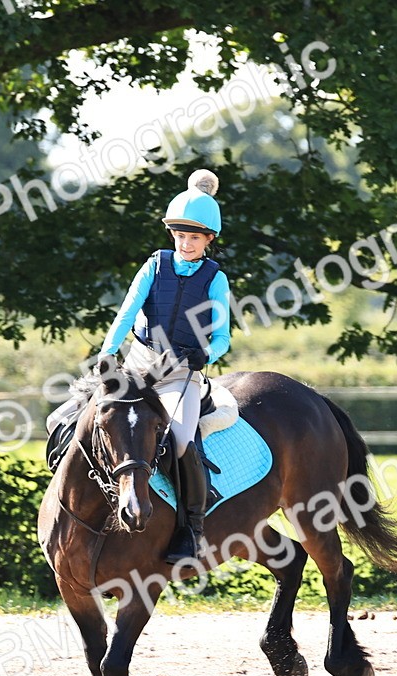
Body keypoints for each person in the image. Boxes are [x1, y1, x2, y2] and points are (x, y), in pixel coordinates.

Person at [96, 169, 232, 563]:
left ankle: (192, 531)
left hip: (179, 374)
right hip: (138, 366)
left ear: (209, 239)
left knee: (182, 441)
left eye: (193, 237)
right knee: (82, 416)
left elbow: (221, 336)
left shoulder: (215, 279)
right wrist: (108, 353)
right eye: (179, 236)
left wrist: (207, 355)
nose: (185, 243)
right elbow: (126, 314)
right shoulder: (154, 266)